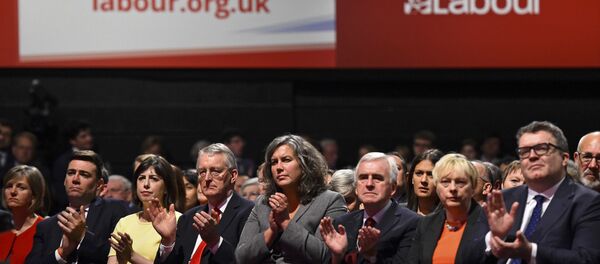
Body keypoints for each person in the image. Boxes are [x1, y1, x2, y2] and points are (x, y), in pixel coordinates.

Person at [484, 121, 600, 263]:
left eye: (542, 148)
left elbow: (586, 260)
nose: (532, 156)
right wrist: (495, 238)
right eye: (524, 151)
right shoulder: (503, 199)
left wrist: (531, 252)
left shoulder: (588, 202)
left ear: (564, 158)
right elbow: (467, 256)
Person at [235, 134, 347, 263]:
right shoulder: (263, 202)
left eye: (286, 160)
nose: (279, 167)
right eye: (274, 162)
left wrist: (286, 223)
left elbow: (324, 256)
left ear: (305, 163)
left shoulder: (330, 200)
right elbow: (241, 257)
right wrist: (271, 231)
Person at [151, 143, 254, 263]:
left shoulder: (249, 213)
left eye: (215, 171)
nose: (208, 178)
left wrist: (215, 242)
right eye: (202, 172)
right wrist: (168, 241)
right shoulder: (189, 218)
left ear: (233, 175)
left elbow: (246, 261)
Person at [26, 150, 129, 263]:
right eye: (71, 173)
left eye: (84, 175)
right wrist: (61, 253)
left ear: (99, 184)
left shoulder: (116, 211)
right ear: (65, 181)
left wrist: (82, 237)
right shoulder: (46, 226)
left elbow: (121, 255)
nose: (75, 179)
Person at [320, 153, 419, 263]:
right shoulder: (343, 223)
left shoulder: (412, 223)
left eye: (377, 178)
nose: (369, 184)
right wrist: (337, 256)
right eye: (363, 178)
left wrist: (372, 258)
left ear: (393, 188)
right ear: (356, 188)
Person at [408, 154, 490, 263]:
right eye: (445, 182)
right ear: (437, 187)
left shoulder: (487, 223)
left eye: (460, 182)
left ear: (473, 187)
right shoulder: (426, 224)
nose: (452, 188)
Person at [108, 155, 182, 264]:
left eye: (154, 179)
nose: (146, 184)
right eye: (141, 178)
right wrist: (123, 258)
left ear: (166, 188)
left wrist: (132, 255)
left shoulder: (179, 220)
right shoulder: (125, 222)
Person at [0, 166, 46, 264]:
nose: (13, 192)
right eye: (9, 186)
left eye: (21, 187)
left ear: (34, 195)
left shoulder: (45, 229)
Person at [51, 120, 94, 215]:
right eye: (83, 136)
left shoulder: (96, 157)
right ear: (72, 140)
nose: (89, 139)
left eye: (89, 135)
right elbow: (60, 191)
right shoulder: (63, 161)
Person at [407, 149, 444, 215]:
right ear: (412, 178)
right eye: (419, 173)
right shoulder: (399, 213)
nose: (423, 180)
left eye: (430, 175)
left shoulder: (448, 217)